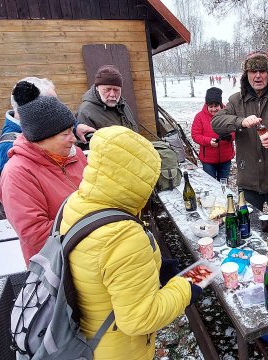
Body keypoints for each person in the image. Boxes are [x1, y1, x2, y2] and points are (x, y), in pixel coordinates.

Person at [61, 126, 202, 359]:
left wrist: (152, 267)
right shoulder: (123, 234)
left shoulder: (77, 204)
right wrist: (185, 288)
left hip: (86, 334)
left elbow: (102, 270)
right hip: (118, 350)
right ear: (136, 178)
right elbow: (140, 318)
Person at [211, 50, 268, 231]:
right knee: (247, 226)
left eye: (262, 71)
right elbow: (216, 123)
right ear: (246, 75)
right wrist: (240, 121)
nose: (257, 76)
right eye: (253, 71)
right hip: (248, 180)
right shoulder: (236, 101)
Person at [0, 96, 88, 264]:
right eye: (65, 133)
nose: (73, 138)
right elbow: (35, 234)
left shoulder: (76, 155)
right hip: (56, 266)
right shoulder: (17, 174)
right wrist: (94, 226)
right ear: (42, 138)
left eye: (71, 130)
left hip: (93, 253)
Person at [0, 77, 93, 171]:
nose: (57, 106)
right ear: (33, 107)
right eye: (52, 102)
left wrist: (76, 128)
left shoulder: (39, 127)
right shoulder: (9, 147)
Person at [76, 65, 138, 132]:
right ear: (97, 88)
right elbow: (86, 142)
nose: (112, 95)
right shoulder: (86, 112)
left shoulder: (123, 104)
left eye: (116, 90)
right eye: (107, 90)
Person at [191, 87, 235, 180]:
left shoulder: (228, 114)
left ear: (220, 105)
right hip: (208, 160)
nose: (214, 109)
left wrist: (230, 136)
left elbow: (235, 129)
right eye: (211, 106)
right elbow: (195, 135)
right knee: (211, 184)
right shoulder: (199, 117)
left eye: (216, 106)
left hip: (225, 158)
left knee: (223, 184)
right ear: (207, 106)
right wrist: (208, 141)